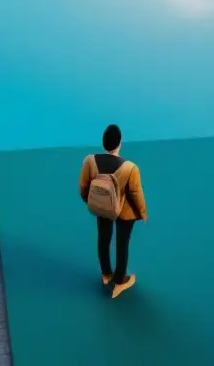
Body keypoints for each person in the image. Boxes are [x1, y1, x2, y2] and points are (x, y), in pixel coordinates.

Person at [78, 124, 147, 300]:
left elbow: (83, 186)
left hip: (102, 206)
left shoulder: (89, 161)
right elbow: (136, 194)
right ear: (120, 144)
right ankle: (120, 280)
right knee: (122, 243)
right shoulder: (130, 168)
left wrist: (90, 200)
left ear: (103, 143)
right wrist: (143, 213)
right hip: (123, 211)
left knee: (103, 238)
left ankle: (106, 273)